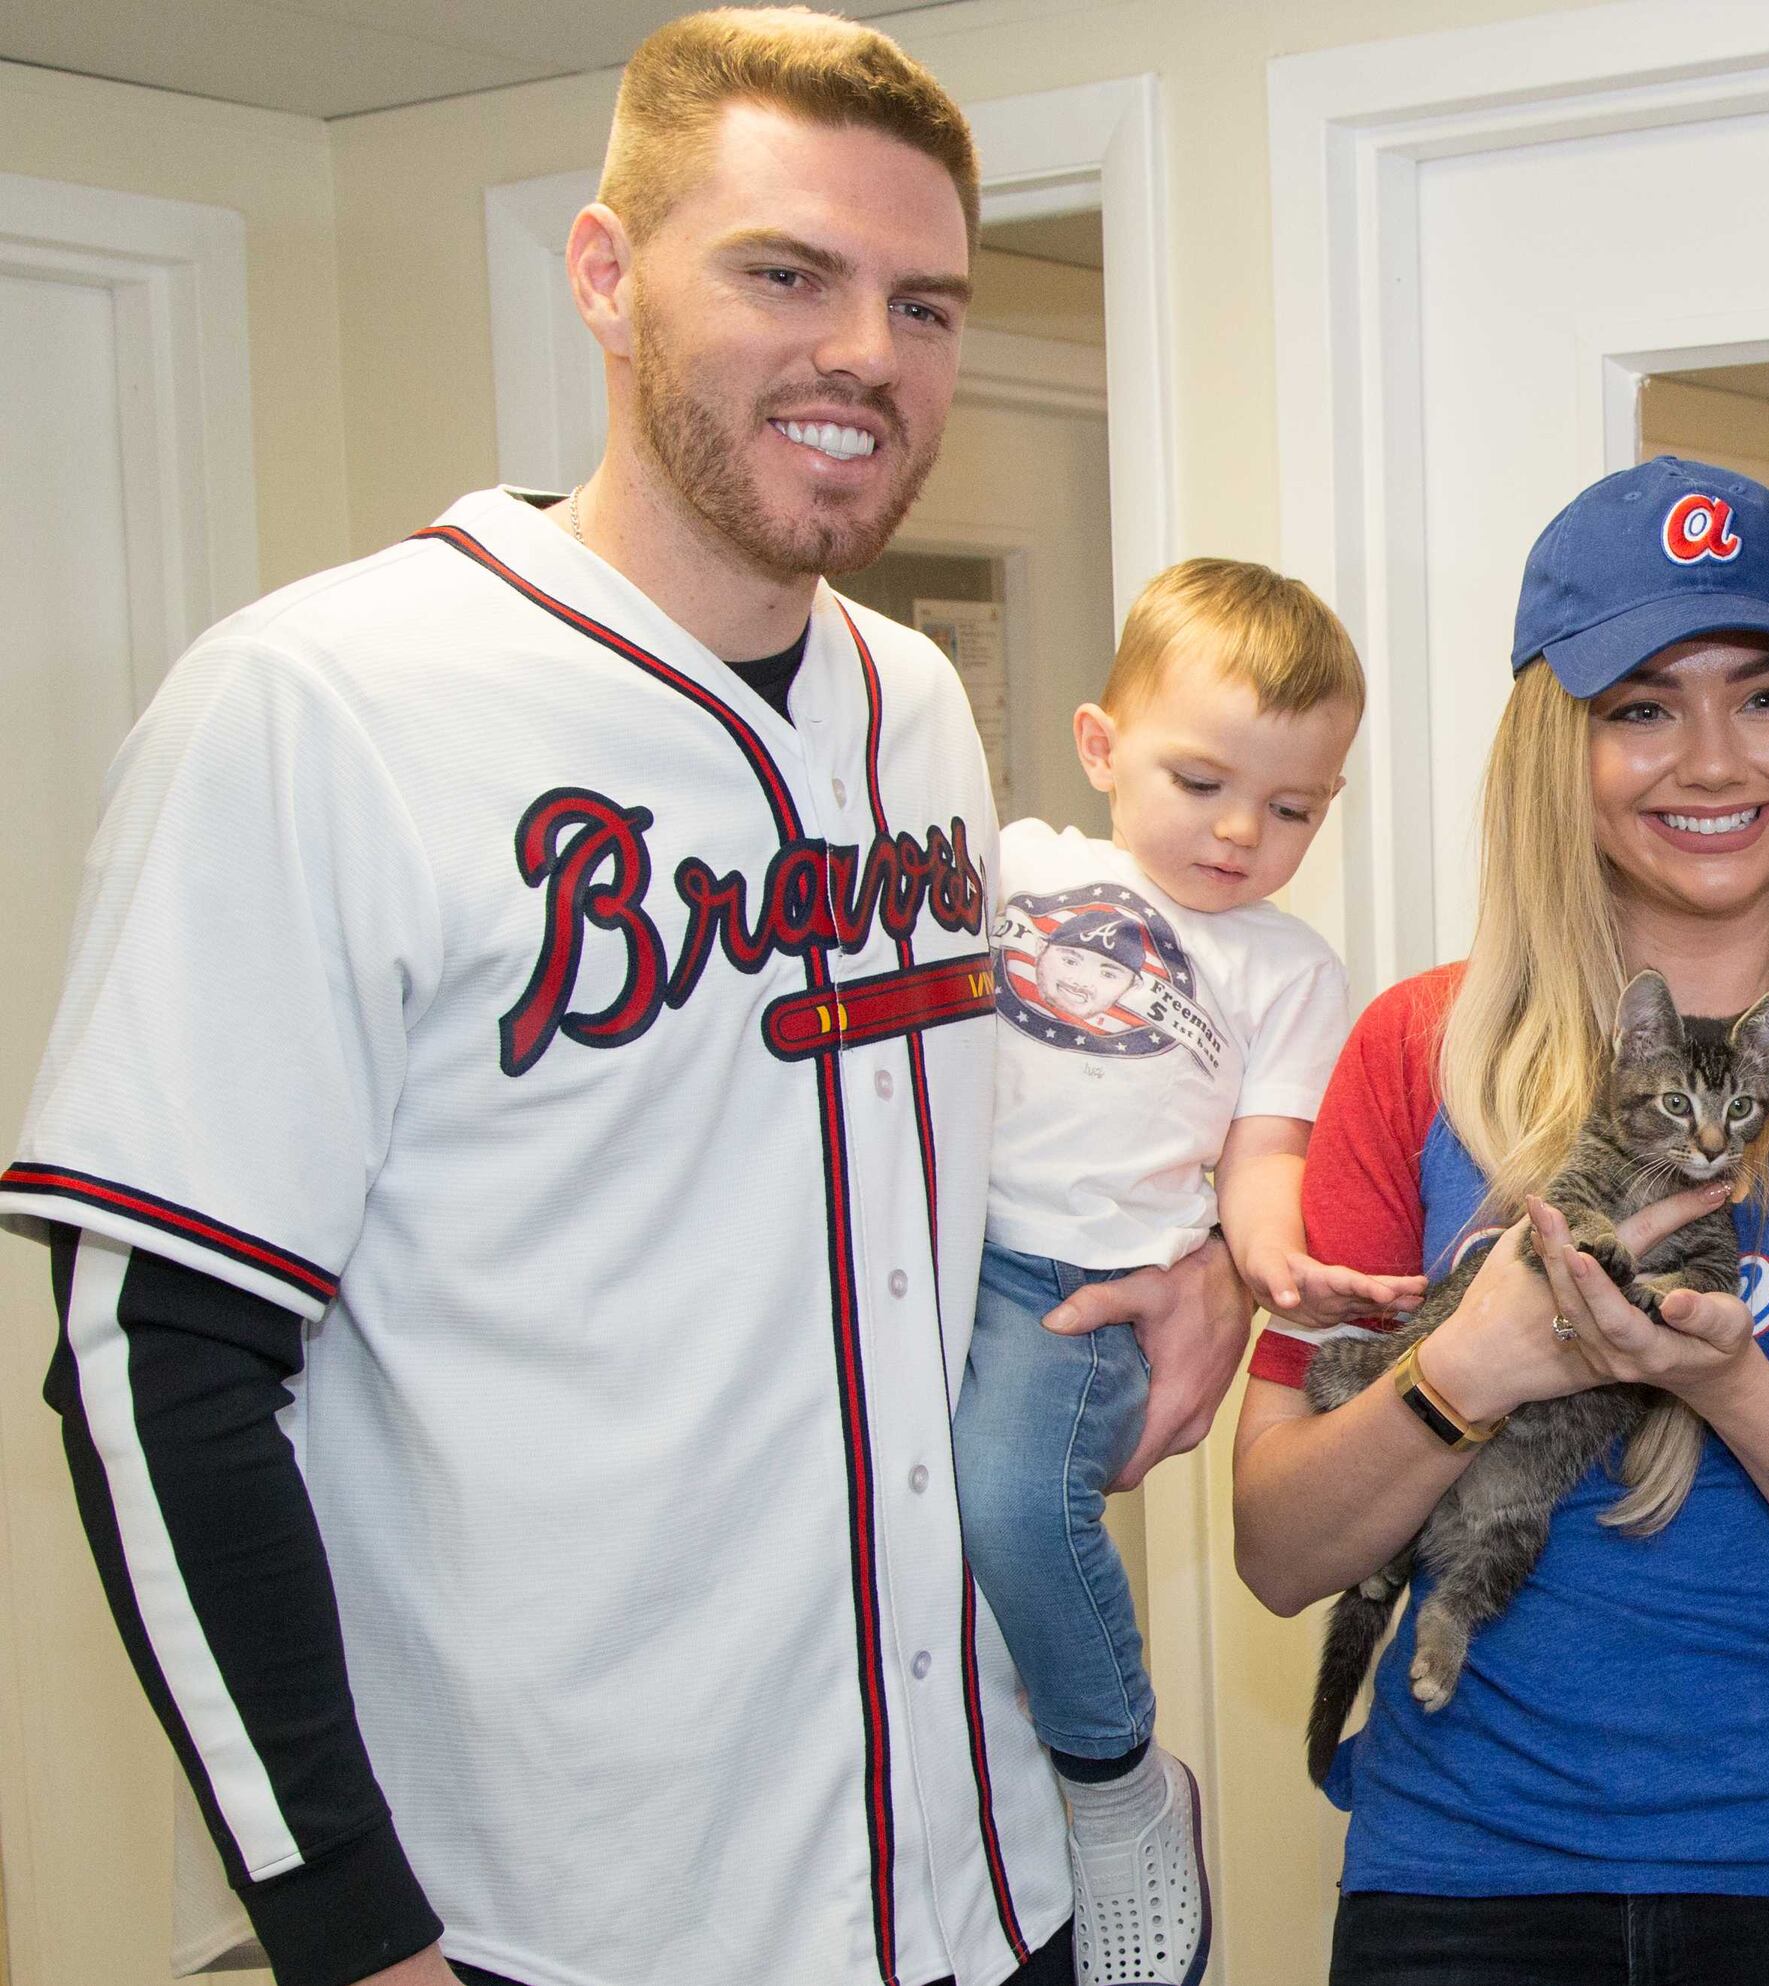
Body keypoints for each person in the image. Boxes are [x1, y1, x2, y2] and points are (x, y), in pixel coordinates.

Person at [0, 14, 1252, 1984]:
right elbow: (156, 1364)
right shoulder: (318, 705)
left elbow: (933, 1150)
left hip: (983, 1874)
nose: (868, 352)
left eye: (924, 302)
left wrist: (1193, 1248)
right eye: (785, 273)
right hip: (581, 1916)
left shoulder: (912, 704)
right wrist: (342, 1926)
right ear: (605, 275)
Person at [1226, 457, 1769, 1983]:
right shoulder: (1421, 1051)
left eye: (1766, 693)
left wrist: (1718, 1377)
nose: (1713, 757)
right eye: (1641, 706)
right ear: (1564, 743)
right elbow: (1279, 1547)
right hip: (1468, 1888)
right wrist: (1474, 1366)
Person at [961, 558, 1405, 1984]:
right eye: (1202, 780)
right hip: (931, 1258)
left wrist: (1281, 1264)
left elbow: (1264, 1156)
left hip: (1078, 1299)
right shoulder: (1013, 864)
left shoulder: (1284, 967)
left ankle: (1116, 1779)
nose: (1239, 831)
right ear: (1102, 746)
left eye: (1292, 809)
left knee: (1015, 1510)